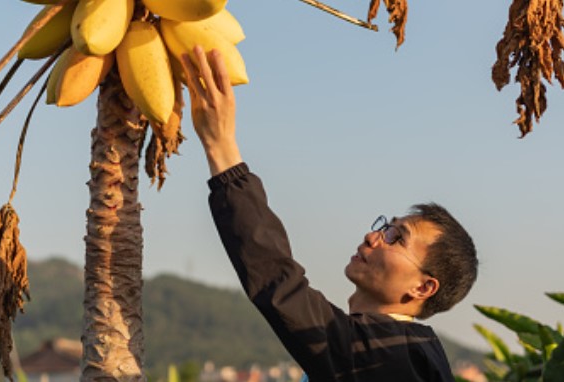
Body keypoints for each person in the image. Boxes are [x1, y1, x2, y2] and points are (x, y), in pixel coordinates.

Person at [180, 45, 479, 382]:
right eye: (385, 227)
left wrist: (221, 147)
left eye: (397, 238)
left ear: (424, 287)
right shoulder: (410, 350)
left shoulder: (389, 355)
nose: (373, 237)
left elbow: (279, 284)